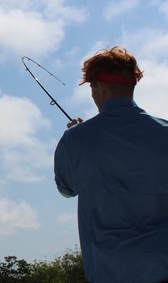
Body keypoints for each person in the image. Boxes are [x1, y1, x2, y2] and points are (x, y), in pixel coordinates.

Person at [54, 46, 168, 283]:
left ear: (99, 86)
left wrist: (75, 135)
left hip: (108, 272)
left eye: (92, 87)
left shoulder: (75, 139)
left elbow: (66, 191)